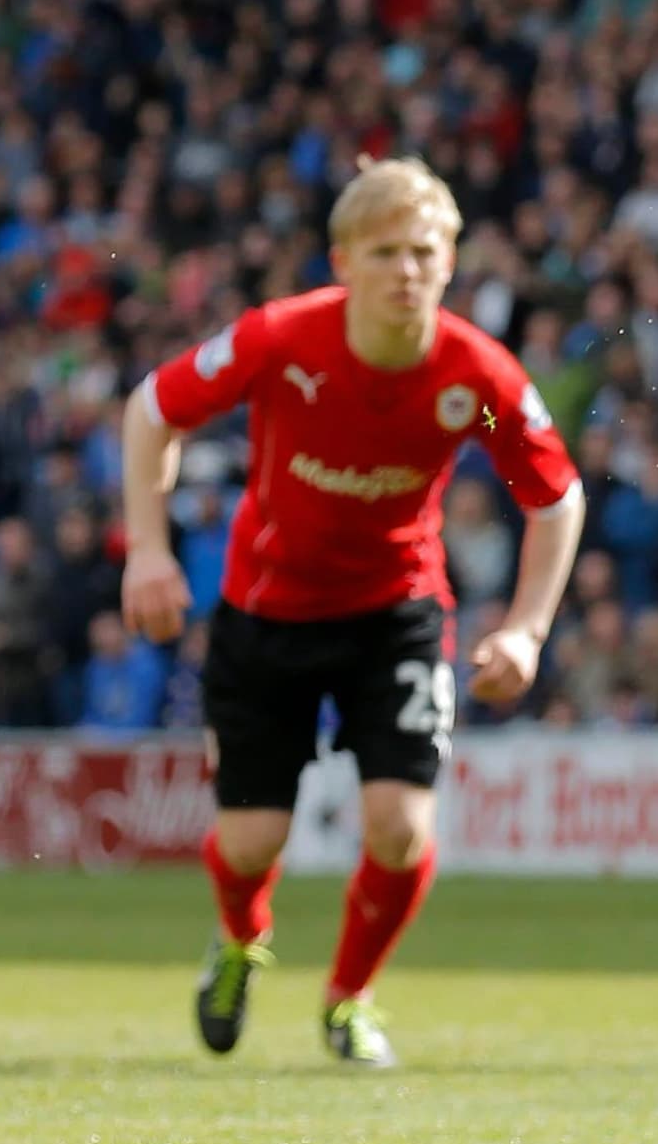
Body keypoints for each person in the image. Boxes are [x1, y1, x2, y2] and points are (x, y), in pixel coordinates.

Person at [120, 158, 586, 1068]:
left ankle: (349, 999)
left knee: (400, 825)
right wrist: (146, 547)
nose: (406, 270)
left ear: (451, 261)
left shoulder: (474, 370)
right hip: (266, 610)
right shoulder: (280, 338)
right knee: (252, 841)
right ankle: (237, 942)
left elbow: (556, 496)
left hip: (397, 610)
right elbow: (151, 411)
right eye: (385, 252)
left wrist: (527, 626)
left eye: (424, 251)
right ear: (343, 261)